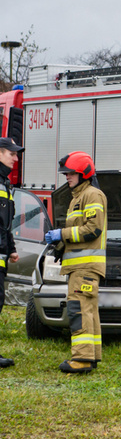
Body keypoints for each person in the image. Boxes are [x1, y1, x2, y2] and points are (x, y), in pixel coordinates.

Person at [44, 152, 107, 374]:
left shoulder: (92, 195)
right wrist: (59, 244)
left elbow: (93, 229)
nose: (67, 177)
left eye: (71, 173)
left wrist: (61, 234)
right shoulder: (78, 197)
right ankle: (91, 356)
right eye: (66, 173)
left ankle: (81, 359)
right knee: (87, 310)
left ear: (84, 174)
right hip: (80, 267)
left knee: (79, 309)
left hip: (85, 267)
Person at [0, 138, 24, 369]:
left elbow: (5, 224)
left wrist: (12, 249)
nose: (15, 159)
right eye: (11, 154)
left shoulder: (4, 183)